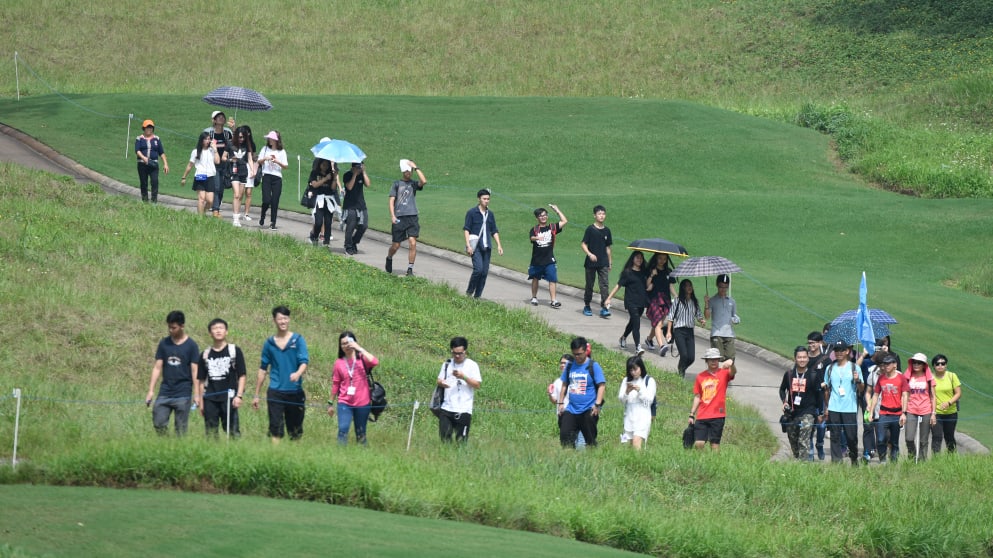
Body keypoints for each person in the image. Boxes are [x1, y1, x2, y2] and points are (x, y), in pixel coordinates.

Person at [252, 306, 309, 443]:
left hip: (295, 391)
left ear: (289, 319)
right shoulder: (269, 344)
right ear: (274, 320)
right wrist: (256, 394)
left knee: (295, 431)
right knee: (275, 428)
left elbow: (304, 361)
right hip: (275, 391)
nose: (283, 321)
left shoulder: (298, 340)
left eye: (285, 318)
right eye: (280, 319)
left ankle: (295, 458)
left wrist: (298, 373)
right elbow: (263, 369)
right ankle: (275, 458)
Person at [145, 310, 200, 436]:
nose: (170, 330)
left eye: (174, 327)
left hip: (183, 393)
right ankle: (166, 445)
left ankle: (178, 450)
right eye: (169, 327)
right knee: (158, 422)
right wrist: (151, 391)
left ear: (182, 326)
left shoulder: (191, 345)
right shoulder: (164, 344)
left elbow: (195, 370)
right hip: (165, 392)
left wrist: (197, 394)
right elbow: (157, 367)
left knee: (180, 429)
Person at [196, 318, 247, 438]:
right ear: (210, 333)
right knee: (211, 433)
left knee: (233, 432)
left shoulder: (234, 351)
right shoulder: (205, 354)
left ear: (226, 331)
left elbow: (242, 375)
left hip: (229, 398)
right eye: (214, 328)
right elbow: (201, 380)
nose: (218, 331)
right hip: (210, 398)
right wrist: (202, 403)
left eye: (221, 328)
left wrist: (239, 396)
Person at [327, 331, 379, 445]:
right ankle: (340, 458)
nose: (346, 346)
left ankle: (364, 457)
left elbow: (375, 361)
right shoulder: (339, 363)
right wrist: (330, 403)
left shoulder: (362, 359)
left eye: (349, 342)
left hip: (362, 402)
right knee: (343, 430)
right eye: (343, 344)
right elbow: (336, 383)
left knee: (361, 434)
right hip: (344, 402)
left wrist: (359, 348)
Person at [557, 337, 606, 448]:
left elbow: (601, 386)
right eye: (575, 354)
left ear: (585, 351)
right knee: (565, 435)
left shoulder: (593, 366)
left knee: (589, 439)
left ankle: (592, 454)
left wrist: (597, 404)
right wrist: (560, 403)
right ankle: (569, 456)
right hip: (571, 409)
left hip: (588, 409)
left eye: (579, 354)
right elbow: (564, 385)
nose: (577, 357)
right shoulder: (570, 366)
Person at [779, 346, 823, 460]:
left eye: (804, 357)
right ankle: (798, 460)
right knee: (793, 438)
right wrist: (784, 402)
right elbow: (782, 389)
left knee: (804, 437)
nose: (802, 360)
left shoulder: (813, 375)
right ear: (795, 359)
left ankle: (804, 465)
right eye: (799, 357)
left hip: (809, 411)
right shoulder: (789, 374)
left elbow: (819, 395)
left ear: (808, 359)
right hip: (793, 412)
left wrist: (820, 413)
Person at [823, 340, 863, 465]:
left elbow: (861, 389)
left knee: (851, 437)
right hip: (834, 406)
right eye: (836, 350)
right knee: (834, 436)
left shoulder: (854, 367)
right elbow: (826, 388)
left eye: (841, 350)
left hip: (849, 407)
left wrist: (857, 380)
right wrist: (827, 406)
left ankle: (854, 459)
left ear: (847, 351)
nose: (839, 353)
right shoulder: (830, 368)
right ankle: (836, 462)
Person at [435, 336, 482, 443]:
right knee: (445, 439)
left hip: (464, 409)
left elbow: (477, 385)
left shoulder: (472, 365)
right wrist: (442, 383)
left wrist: (463, 377)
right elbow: (439, 380)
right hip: (446, 408)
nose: (457, 355)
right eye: (454, 353)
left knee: (461, 440)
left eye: (460, 353)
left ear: (465, 351)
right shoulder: (447, 364)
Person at [688, 348, 736, 451]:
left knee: (714, 445)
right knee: (698, 443)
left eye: (715, 359)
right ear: (706, 361)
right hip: (702, 415)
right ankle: (701, 463)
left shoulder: (724, 373)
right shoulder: (700, 377)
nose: (713, 361)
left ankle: (715, 464)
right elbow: (697, 397)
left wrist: (731, 363)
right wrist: (691, 414)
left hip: (718, 415)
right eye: (711, 359)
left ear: (719, 360)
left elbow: (733, 373)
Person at [386, 159, 428, 276]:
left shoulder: (413, 184)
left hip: (412, 216)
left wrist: (416, 167)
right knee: (396, 245)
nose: (408, 173)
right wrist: (393, 216)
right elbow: (391, 201)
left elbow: (424, 181)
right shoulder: (396, 184)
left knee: (412, 242)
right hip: (399, 216)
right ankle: (389, 257)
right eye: (406, 171)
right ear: (402, 171)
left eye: (410, 171)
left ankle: (410, 269)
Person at [605, 250, 650, 355]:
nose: (639, 260)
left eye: (641, 258)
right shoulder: (628, 272)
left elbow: (648, 285)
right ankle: (638, 347)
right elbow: (618, 285)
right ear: (633, 259)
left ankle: (623, 338)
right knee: (636, 323)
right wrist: (609, 298)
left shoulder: (645, 272)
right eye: (637, 257)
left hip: (641, 302)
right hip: (631, 302)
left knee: (633, 322)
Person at [463, 188, 504, 298]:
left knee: (484, 273)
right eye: (484, 199)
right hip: (475, 246)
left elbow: (494, 230)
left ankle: (477, 296)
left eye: (488, 199)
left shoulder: (490, 214)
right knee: (478, 270)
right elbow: (466, 229)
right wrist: (468, 245)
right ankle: (469, 292)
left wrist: (499, 245)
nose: (486, 201)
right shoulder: (472, 212)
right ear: (479, 199)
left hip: (487, 247)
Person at [867, 352, 908, 463]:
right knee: (880, 439)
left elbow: (905, 395)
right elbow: (875, 395)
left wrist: (904, 413)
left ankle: (894, 461)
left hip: (896, 413)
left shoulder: (901, 378)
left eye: (888, 364)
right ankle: (883, 459)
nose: (886, 366)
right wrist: (871, 411)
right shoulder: (881, 378)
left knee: (894, 441)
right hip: (883, 413)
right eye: (885, 364)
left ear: (895, 365)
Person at [664, 279, 706, 378]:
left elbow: (698, 314)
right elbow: (670, 317)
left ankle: (680, 369)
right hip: (679, 331)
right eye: (687, 286)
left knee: (691, 358)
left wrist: (701, 320)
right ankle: (681, 375)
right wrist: (669, 332)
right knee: (684, 355)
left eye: (690, 285)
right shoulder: (677, 301)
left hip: (690, 331)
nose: (689, 287)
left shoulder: (694, 301)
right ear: (683, 288)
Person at [528, 204, 567, 308]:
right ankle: (534, 297)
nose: (543, 217)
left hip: (549, 259)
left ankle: (553, 300)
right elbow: (531, 237)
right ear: (537, 218)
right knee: (535, 278)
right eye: (541, 216)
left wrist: (557, 210)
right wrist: (537, 238)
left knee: (552, 279)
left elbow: (564, 221)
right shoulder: (535, 229)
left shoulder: (552, 227)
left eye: (545, 215)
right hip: (537, 260)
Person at [618, 355, 656, 449]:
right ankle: (631, 463)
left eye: (635, 369)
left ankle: (637, 462)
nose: (633, 372)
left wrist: (640, 390)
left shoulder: (649, 380)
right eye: (631, 370)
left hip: (643, 417)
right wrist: (627, 391)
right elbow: (621, 399)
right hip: (629, 417)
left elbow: (650, 399)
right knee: (626, 444)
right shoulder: (626, 380)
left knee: (636, 442)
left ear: (641, 367)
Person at [704, 273, 740, 373]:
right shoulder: (712, 300)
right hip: (717, 333)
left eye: (725, 287)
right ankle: (719, 378)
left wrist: (736, 320)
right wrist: (706, 304)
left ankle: (726, 376)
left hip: (729, 334)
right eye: (721, 287)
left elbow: (734, 316)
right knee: (717, 358)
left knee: (731, 358)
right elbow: (707, 317)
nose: (723, 289)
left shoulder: (732, 301)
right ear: (717, 285)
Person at [581, 205, 612, 317]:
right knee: (590, 284)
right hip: (591, 263)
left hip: (603, 262)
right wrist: (589, 254)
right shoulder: (590, 229)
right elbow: (583, 244)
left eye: (603, 214)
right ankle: (587, 305)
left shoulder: (607, 230)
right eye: (599, 214)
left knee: (604, 284)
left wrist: (610, 262)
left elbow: (608, 248)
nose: (601, 216)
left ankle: (604, 307)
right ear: (594, 215)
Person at [904, 352, 937, 461]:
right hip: (911, 409)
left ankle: (923, 461)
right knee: (909, 438)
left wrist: (933, 413)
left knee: (924, 440)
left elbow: (933, 396)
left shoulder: (929, 378)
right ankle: (912, 457)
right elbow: (904, 394)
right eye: (914, 362)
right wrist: (903, 412)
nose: (916, 365)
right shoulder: (908, 376)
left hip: (926, 409)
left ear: (924, 365)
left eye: (919, 363)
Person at [548, 354, 585, 448]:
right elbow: (554, 401)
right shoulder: (557, 382)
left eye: (565, 363)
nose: (562, 365)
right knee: (567, 444)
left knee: (579, 443)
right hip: (562, 417)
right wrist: (550, 393)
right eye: (561, 363)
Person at [180, 132, 221, 216]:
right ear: (201, 140)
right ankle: (200, 217)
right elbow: (190, 165)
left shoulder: (212, 150)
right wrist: (184, 177)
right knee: (201, 199)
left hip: (210, 176)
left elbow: (217, 161)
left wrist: (215, 150)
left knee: (210, 201)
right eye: (205, 139)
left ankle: (203, 212)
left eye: (209, 139)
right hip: (200, 175)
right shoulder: (196, 151)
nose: (207, 141)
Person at [806, 331, 831, 460]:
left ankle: (819, 445)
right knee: (809, 425)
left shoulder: (825, 360)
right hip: (808, 397)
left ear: (820, 343)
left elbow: (830, 379)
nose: (811, 345)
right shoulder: (804, 358)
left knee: (821, 426)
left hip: (821, 396)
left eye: (813, 343)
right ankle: (810, 453)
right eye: (809, 343)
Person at [256, 130, 288, 230]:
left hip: (277, 177)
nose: (270, 140)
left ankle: (273, 222)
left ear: (276, 140)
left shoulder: (281, 151)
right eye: (269, 139)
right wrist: (265, 158)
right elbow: (259, 161)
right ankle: (263, 214)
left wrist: (277, 161)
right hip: (267, 176)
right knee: (266, 200)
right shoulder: (265, 149)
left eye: (272, 139)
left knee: (275, 201)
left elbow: (285, 166)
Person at [645, 253, 675, 355]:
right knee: (658, 323)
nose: (662, 260)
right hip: (654, 299)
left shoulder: (669, 271)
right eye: (660, 258)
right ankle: (662, 346)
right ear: (656, 258)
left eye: (664, 259)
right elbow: (647, 285)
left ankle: (649, 339)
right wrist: (652, 275)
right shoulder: (652, 270)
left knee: (659, 323)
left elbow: (670, 286)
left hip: (665, 299)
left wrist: (677, 297)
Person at [931, 353, 961, 454]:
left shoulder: (952, 376)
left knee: (949, 436)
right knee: (937, 436)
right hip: (936, 413)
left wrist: (949, 402)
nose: (940, 366)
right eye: (937, 363)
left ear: (946, 365)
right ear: (934, 366)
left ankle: (951, 458)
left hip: (951, 412)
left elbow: (958, 393)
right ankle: (936, 460)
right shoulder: (931, 378)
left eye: (943, 363)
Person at [205, 111, 233, 218]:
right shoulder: (209, 133)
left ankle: (216, 206)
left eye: (223, 117)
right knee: (216, 186)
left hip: (225, 164)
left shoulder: (228, 132)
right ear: (214, 120)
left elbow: (235, 143)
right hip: (213, 163)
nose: (221, 118)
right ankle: (215, 210)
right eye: (219, 117)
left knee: (221, 188)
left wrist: (234, 128)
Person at [305, 158, 338, 247]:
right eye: (323, 165)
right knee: (318, 222)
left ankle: (326, 242)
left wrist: (334, 178)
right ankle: (314, 237)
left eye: (327, 165)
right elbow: (314, 184)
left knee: (328, 222)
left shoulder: (330, 174)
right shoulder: (314, 173)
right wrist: (325, 179)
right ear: (319, 164)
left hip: (329, 199)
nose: (325, 167)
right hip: (319, 199)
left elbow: (333, 188)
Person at [227, 126, 255, 226]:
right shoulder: (230, 144)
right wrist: (231, 159)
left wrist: (252, 170)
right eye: (239, 137)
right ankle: (235, 218)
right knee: (237, 194)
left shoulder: (246, 146)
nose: (241, 139)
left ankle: (237, 217)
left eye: (242, 137)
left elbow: (250, 159)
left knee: (240, 196)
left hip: (243, 172)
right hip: (233, 171)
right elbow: (223, 158)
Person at [135, 119, 168, 203]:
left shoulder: (156, 139)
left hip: (153, 164)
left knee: (154, 182)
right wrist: (143, 158)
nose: (149, 129)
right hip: (142, 164)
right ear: (144, 128)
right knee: (143, 182)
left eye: (151, 127)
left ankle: (154, 201)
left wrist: (165, 164)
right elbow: (137, 150)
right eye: (147, 127)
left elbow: (161, 152)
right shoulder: (139, 139)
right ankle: (145, 200)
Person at [341, 162, 371, 255]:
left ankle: (354, 241)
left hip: (361, 205)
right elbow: (349, 187)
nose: (359, 168)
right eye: (357, 167)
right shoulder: (347, 175)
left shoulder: (362, 175)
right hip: (350, 205)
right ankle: (348, 246)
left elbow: (368, 184)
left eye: (360, 166)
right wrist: (354, 174)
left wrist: (364, 172)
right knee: (351, 226)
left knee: (364, 226)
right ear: (353, 167)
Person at [238, 126, 258, 221]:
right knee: (240, 193)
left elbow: (252, 157)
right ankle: (237, 212)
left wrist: (256, 161)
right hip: (241, 166)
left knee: (249, 193)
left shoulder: (251, 144)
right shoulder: (238, 143)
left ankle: (246, 214)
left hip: (249, 167)